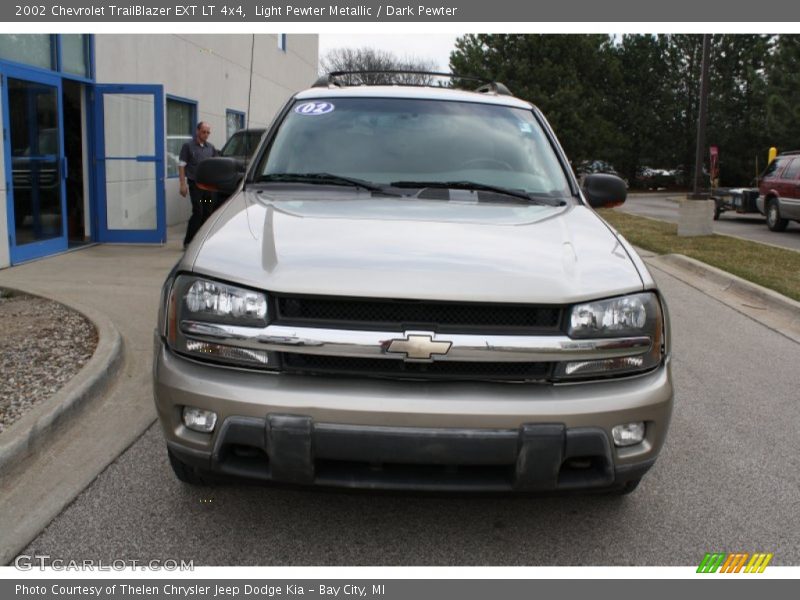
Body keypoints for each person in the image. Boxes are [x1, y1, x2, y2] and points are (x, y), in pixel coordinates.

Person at [179, 121, 219, 248]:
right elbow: (181, 166)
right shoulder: (188, 146)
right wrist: (182, 185)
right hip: (195, 186)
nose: (206, 134)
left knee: (207, 211)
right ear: (197, 131)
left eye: (208, 132)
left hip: (208, 188)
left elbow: (215, 165)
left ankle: (201, 241)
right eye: (203, 132)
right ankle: (188, 241)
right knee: (198, 211)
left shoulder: (211, 148)